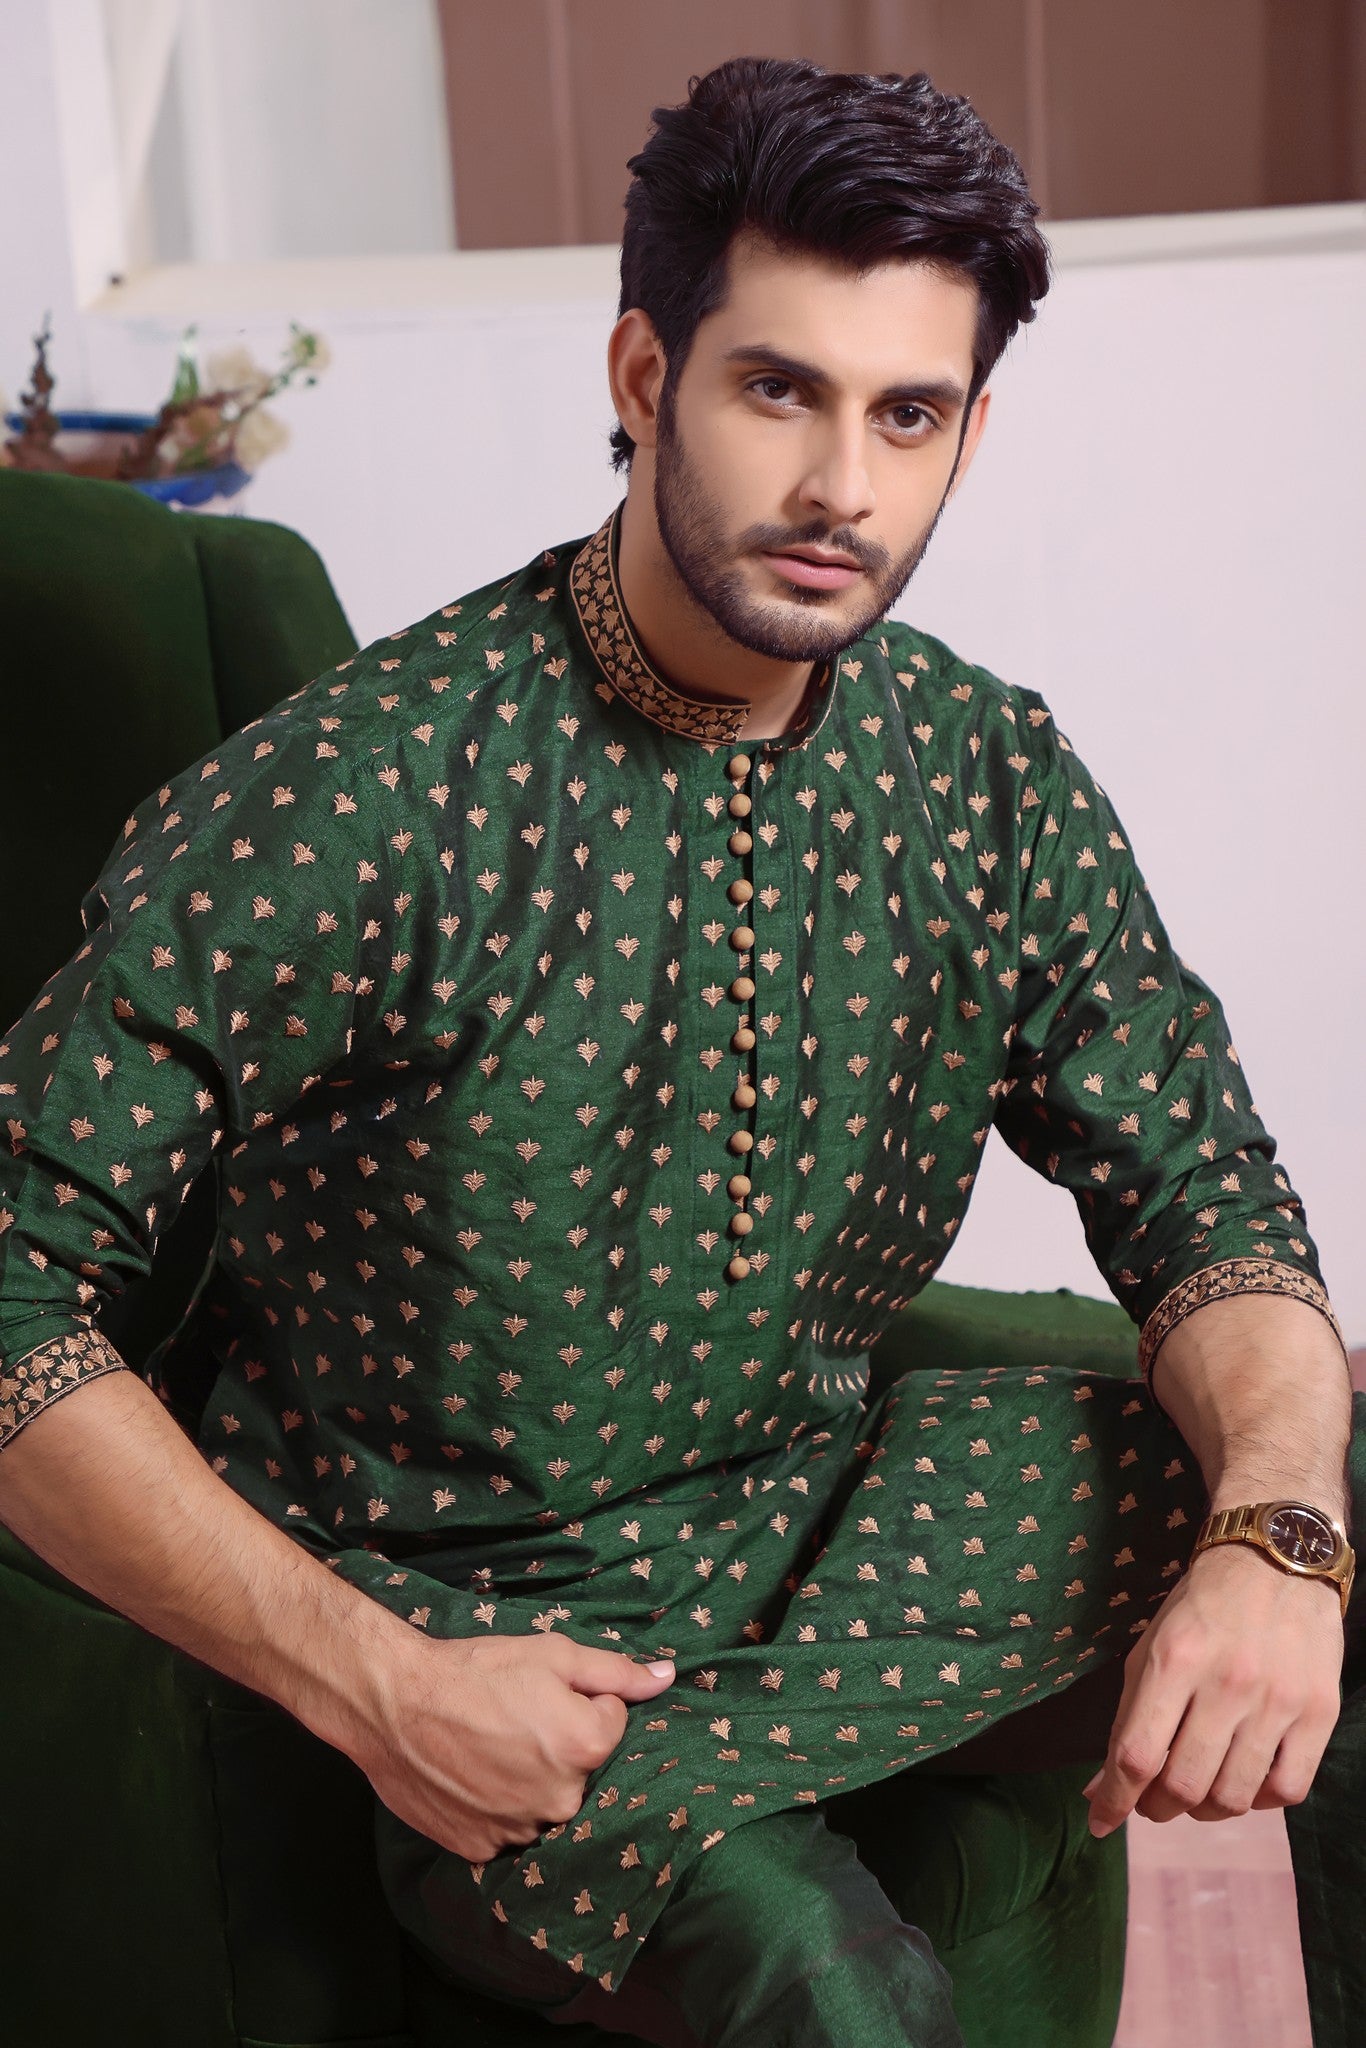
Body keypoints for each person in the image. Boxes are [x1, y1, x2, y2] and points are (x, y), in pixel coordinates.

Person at [0, 55, 1357, 2048]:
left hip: (830, 1534)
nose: (841, 489)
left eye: (906, 414)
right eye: (776, 389)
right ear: (644, 374)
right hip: (493, 1642)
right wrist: (372, 1680)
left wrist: (1277, 1538)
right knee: (823, 1976)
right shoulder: (366, 795)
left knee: (1326, 1500)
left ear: (970, 429)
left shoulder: (981, 774)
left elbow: (1208, 1205)